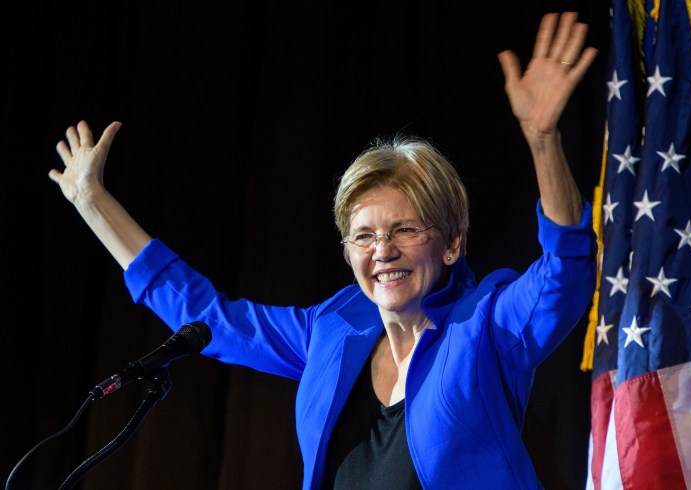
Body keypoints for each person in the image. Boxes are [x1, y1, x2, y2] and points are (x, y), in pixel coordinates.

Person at [49, 11, 598, 490]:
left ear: (452, 242)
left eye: (405, 229)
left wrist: (544, 140)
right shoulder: (332, 330)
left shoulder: (487, 326)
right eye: (364, 235)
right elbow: (205, 315)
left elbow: (564, 273)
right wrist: (92, 204)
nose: (382, 250)